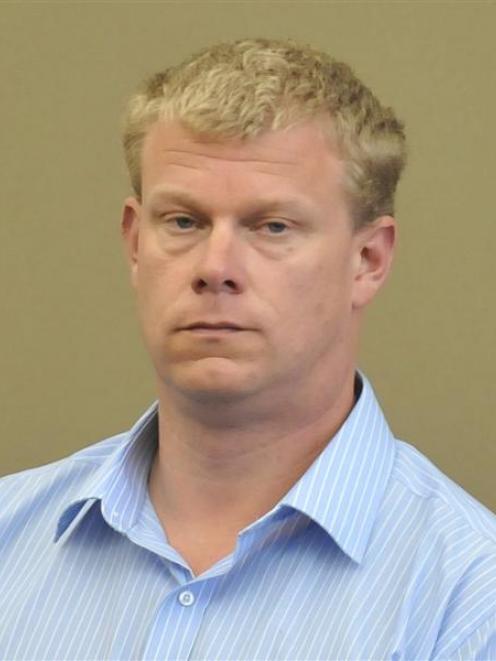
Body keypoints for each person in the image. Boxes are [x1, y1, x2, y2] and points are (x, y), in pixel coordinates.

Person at [0, 37, 494, 661]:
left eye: (272, 227)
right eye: (183, 221)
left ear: (368, 260)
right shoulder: (10, 539)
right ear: (134, 243)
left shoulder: (469, 598)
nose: (216, 267)